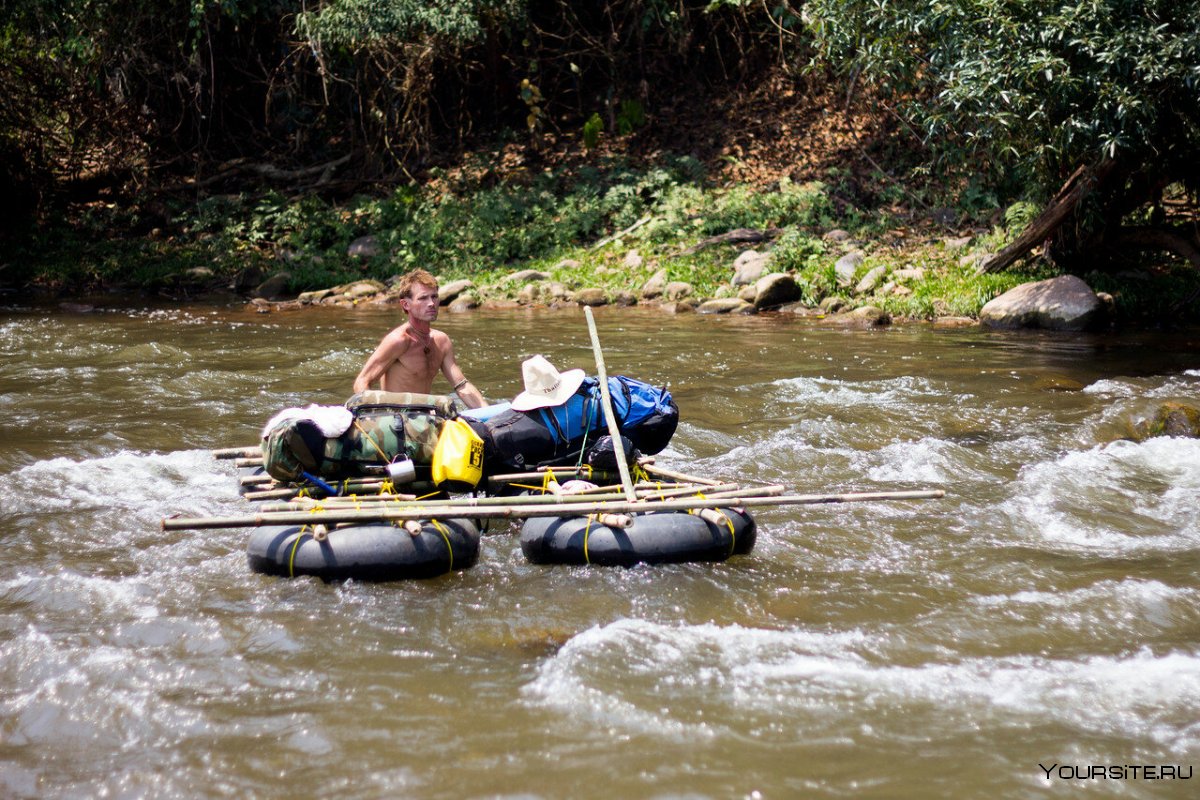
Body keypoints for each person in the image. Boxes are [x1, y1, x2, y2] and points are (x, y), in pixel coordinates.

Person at [353, 269, 486, 409]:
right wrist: (375, 416)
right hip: (398, 419)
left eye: (434, 297)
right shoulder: (398, 341)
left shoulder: (442, 341)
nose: (431, 303)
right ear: (406, 304)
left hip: (425, 415)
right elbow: (361, 382)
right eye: (423, 298)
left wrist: (488, 413)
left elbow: (461, 385)